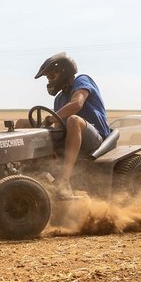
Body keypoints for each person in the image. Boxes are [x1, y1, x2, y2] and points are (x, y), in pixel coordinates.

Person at [20, 52, 110, 197]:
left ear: (63, 72)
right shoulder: (59, 99)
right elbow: (59, 128)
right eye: (48, 78)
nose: (49, 81)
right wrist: (52, 146)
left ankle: (65, 179)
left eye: (51, 76)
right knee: (22, 123)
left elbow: (77, 104)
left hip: (97, 139)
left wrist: (50, 119)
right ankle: (26, 172)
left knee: (73, 120)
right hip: (73, 138)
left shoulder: (82, 80)